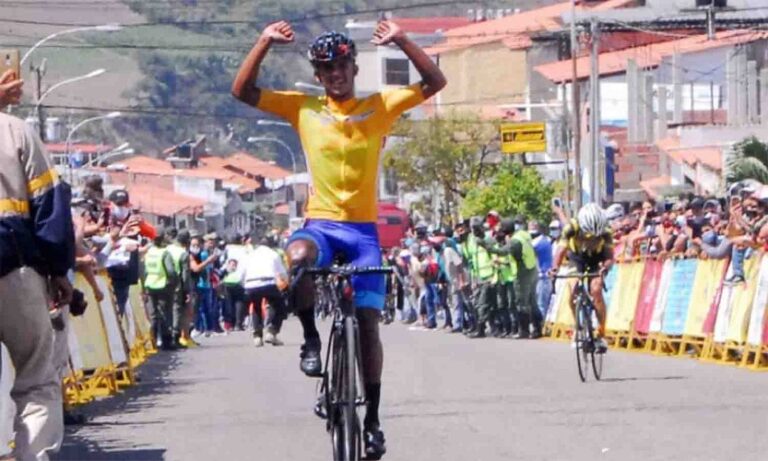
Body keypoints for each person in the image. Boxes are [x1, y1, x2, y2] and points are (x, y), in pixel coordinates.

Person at [232, 18, 445, 459]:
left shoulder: (381, 105)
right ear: (318, 76)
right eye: (327, 69)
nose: (336, 74)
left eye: (343, 66)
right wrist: (264, 42)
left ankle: (373, 421)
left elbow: (435, 80)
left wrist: (403, 40)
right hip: (322, 225)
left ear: (353, 68)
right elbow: (243, 91)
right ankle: (310, 337)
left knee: (368, 324)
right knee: (299, 254)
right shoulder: (303, 109)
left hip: (364, 232)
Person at [1, 70, 75, 460]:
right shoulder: (15, 131)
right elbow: (49, 203)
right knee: (36, 376)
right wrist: (59, 269)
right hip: (15, 268)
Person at [550, 203, 615, 353]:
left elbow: (609, 257)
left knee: (596, 290)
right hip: (576, 258)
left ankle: (601, 333)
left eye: (594, 237)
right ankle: (578, 328)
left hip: (596, 259)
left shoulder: (606, 231)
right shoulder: (571, 228)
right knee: (572, 290)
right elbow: (560, 251)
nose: (590, 239)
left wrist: (605, 267)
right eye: (587, 235)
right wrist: (554, 269)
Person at [242, 233, 289, 347]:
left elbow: (241, 273)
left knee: (256, 307)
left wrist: (244, 286)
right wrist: (287, 283)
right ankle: (272, 331)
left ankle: (257, 336)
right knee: (279, 306)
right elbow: (282, 273)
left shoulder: (250, 255)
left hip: (250, 284)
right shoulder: (273, 254)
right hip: (268, 283)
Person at [143, 228, 178, 350]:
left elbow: (145, 269)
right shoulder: (164, 253)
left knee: (153, 314)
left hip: (150, 285)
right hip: (163, 285)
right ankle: (166, 342)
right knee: (165, 313)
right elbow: (171, 271)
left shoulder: (149, 252)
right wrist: (174, 282)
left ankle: (152, 341)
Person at [167, 230, 194, 348]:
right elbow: (185, 275)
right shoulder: (183, 253)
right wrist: (187, 291)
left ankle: (164, 336)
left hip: (162, 283)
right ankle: (175, 337)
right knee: (176, 310)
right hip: (176, 284)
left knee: (164, 310)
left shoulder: (167, 249)